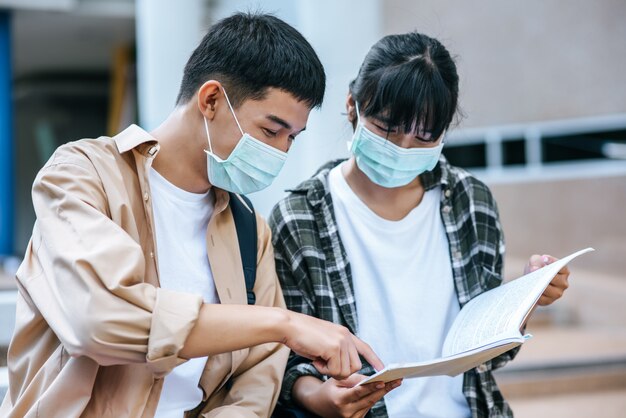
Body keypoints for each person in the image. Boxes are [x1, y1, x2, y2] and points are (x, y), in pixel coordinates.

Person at [0, 12, 382, 418]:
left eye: (292, 137)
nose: (282, 152)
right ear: (211, 99)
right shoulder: (81, 175)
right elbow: (97, 320)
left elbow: (257, 378)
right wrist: (282, 323)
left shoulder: (249, 228)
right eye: (272, 131)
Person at [269, 32, 571, 418]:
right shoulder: (300, 219)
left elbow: (489, 357)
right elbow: (286, 364)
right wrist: (322, 400)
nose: (403, 149)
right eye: (386, 129)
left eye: (425, 137)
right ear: (352, 107)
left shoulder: (470, 202)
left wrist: (524, 298)